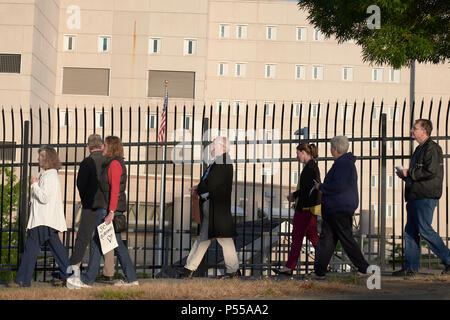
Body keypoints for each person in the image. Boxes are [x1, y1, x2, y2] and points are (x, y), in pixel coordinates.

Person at [67, 136, 138, 288]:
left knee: (106, 244)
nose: (102, 147)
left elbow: (114, 191)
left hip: (109, 210)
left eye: (105, 145)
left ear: (111, 147)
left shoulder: (114, 165)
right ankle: (131, 279)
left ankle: (88, 280)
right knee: (108, 244)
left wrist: (111, 212)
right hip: (108, 209)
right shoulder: (112, 163)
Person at [175, 137, 240, 279]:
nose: (211, 147)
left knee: (223, 239)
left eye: (214, 145)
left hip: (216, 207)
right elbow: (210, 182)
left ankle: (233, 271)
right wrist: (198, 188)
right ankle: (189, 268)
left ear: (222, 146)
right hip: (212, 206)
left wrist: (198, 188)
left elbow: (211, 183)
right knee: (203, 238)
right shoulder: (220, 161)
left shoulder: (223, 161)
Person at [393, 119, 449, 276]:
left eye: (414, 128)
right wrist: (405, 175)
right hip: (415, 194)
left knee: (424, 229)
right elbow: (420, 172)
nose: (411, 131)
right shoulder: (420, 149)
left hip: (425, 195)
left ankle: (449, 260)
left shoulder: (432, 148)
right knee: (410, 231)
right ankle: (410, 268)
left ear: (424, 131)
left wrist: (408, 173)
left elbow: (430, 172)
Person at [9, 146, 71, 287]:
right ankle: (69, 276)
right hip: (46, 220)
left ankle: (22, 280)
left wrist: (34, 185)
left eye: (40, 156)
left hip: (43, 219)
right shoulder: (49, 174)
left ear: (46, 159)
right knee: (58, 250)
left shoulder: (49, 176)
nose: (38, 159)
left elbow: (44, 198)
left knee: (31, 249)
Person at [313, 136, 369, 279]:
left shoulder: (342, 164)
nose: (331, 150)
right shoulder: (346, 163)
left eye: (331, 147)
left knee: (344, 239)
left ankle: (365, 267)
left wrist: (321, 187)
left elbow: (338, 186)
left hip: (338, 207)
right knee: (328, 239)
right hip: (337, 207)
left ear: (335, 149)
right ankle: (319, 271)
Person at [68, 134, 115, 283]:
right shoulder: (108, 161)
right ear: (101, 146)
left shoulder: (87, 162)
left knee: (83, 238)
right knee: (106, 236)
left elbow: (80, 185)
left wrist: (85, 199)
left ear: (88, 147)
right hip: (106, 206)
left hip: (90, 205)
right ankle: (109, 272)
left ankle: (74, 270)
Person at [273, 143, 321, 276]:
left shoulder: (310, 168)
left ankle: (289, 267)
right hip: (309, 209)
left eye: (298, 153)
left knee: (297, 238)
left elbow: (307, 189)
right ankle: (324, 263)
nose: (297, 156)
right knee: (313, 237)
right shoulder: (312, 167)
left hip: (304, 209)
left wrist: (294, 195)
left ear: (304, 153)